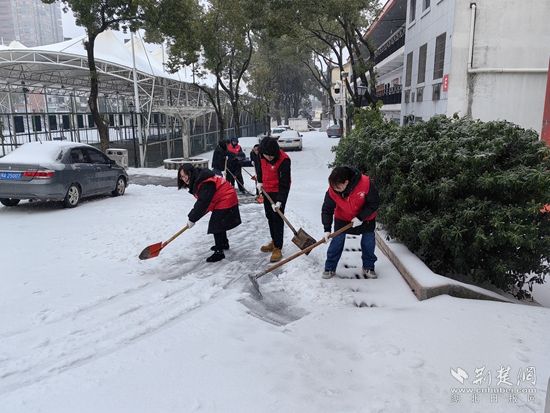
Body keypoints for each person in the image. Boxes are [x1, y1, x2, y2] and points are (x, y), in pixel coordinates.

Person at [321, 166, 379, 279]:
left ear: (346, 182)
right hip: (343, 217)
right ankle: (330, 267)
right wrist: (327, 229)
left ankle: (368, 266)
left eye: (338, 187)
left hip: (365, 218)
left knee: (368, 242)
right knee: (337, 241)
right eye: (332, 186)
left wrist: (360, 217)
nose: (335, 189)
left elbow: (374, 203)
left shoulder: (365, 183)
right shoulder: (333, 189)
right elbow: (327, 209)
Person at [177, 163, 241, 262]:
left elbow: (202, 203)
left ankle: (219, 252)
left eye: (185, 176)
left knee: (216, 224)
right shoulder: (199, 178)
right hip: (223, 197)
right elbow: (205, 201)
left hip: (226, 197)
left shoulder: (204, 181)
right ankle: (223, 243)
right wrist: (195, 216)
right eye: (182, 177)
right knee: (219, 222)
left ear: (191, 173)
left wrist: (192, 218)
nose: (184, 179)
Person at [256, 136, 291, 262]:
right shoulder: (261, 155)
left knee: (277, 218)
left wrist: (280, 200)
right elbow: (259, 168)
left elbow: (285, 183)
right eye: (267, 155)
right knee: (269, 216)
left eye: (272, 156)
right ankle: (274, 240)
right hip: (267, 190)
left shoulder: (284, 160)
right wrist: (260, 181)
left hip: (279, 191)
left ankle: (278, 247)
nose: (269, 158)